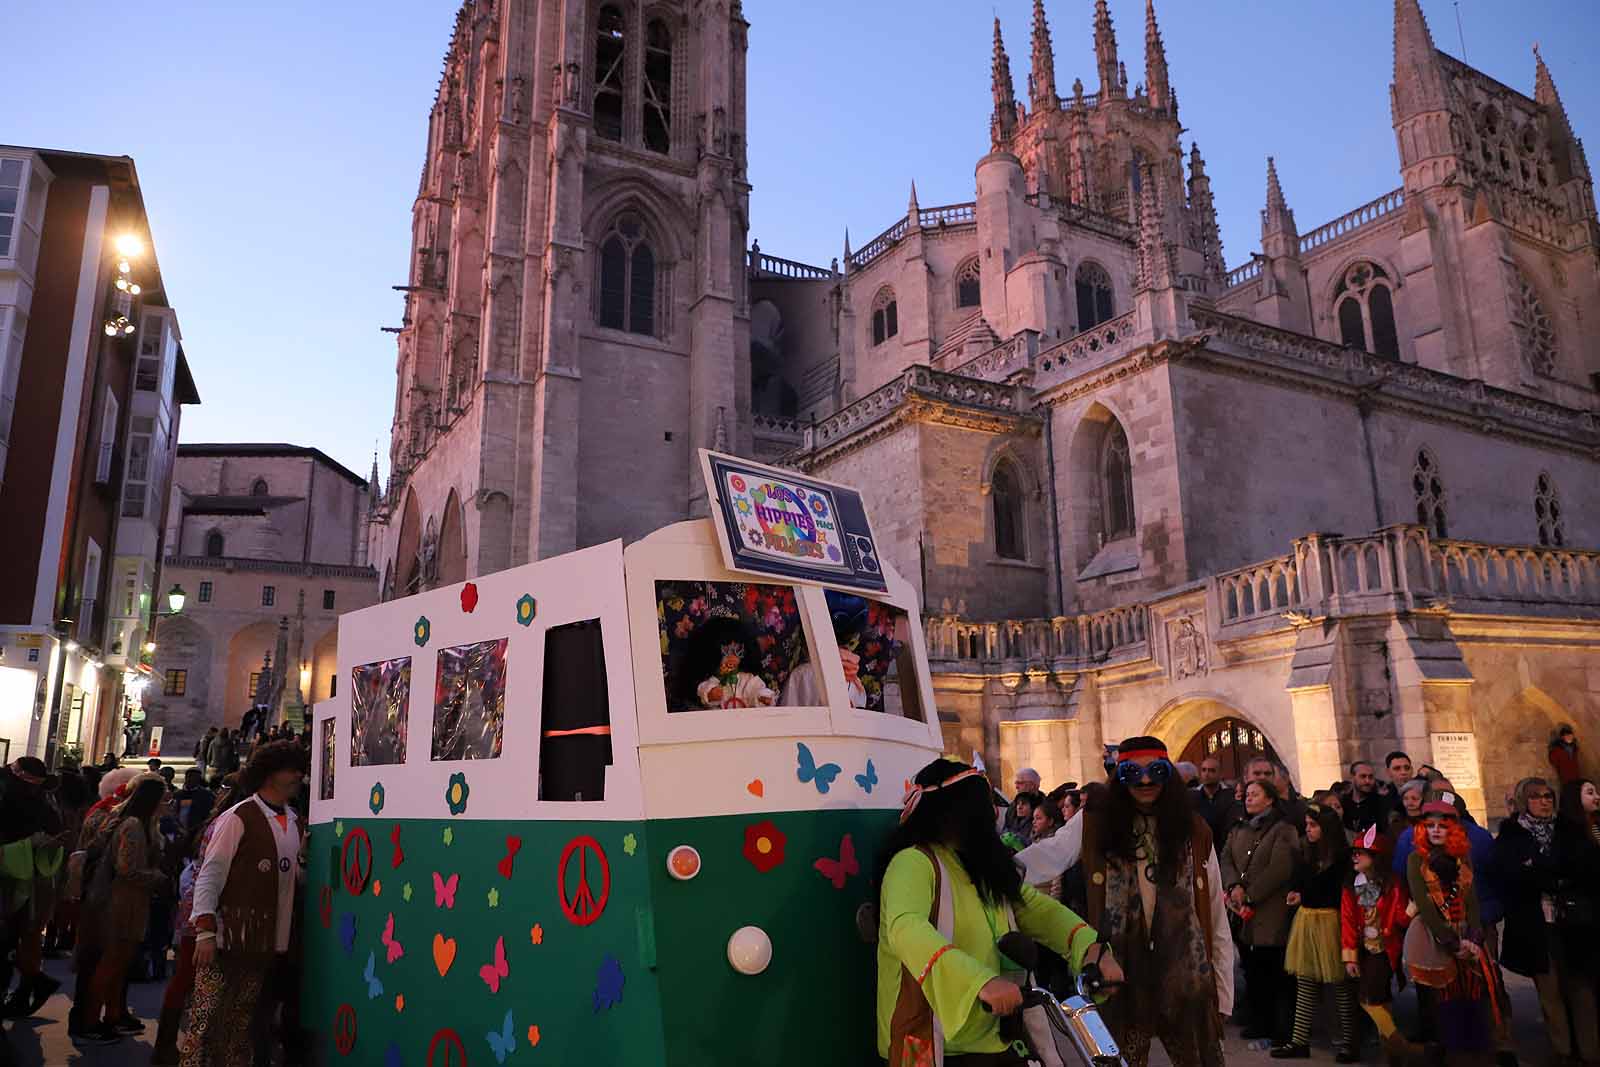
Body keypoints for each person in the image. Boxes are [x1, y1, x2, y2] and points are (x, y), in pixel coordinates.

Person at [875, 758, 1119, 1065]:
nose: (991, 814)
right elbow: (906, 929)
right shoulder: (913, 863)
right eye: (980, 806)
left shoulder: (983, 867)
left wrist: (1091, 947)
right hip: (935, 1044)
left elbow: (1038, 910)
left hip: (996, 1038)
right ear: (950, 812)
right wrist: (980, 982)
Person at [1017, 737, 1232, 1067]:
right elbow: (1050, 855)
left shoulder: (1194, 829)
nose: (1145, 781)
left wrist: (1223, 990)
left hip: (1185, 971)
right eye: (1132, 773)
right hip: (1119, 970)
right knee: (1119, 1060)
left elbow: (1214, 912)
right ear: (1119, 777)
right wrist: (997, 870)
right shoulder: (1096, 821)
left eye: (1156, 771)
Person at [183, 741, 307, 1067]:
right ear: (269, 774)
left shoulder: (296, 821)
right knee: (205, 1019)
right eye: (290, 769)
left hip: (263, 943)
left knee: (240, 1021)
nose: (298, 775)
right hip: (226, 938)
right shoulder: (238, 817)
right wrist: (205, 931)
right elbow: (210, 875)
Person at [1495, 777, 1595, 1065]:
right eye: (1536, 797)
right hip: (1536, 926)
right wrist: (1547, 876)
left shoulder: (1570, 831)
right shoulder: (1512, 836)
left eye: (1548, 795)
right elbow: (1513, 876)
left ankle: (1589, 1051)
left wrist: (1539, 872)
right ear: (1525, 802)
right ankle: (1562, 1050)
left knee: (1581, 989)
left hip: (1575, 923)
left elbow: (1584, 868)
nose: (1544, 801)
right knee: (1550, 991)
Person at [1405, 792, 1498, 1061]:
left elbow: (1472, 901)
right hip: (1434, 935)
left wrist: (1474, 937)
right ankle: (1446, 1050)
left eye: (1442, 826)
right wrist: (1452, 942)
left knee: (1472, 994)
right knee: (1441, 998)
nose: (1435, 831)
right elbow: (1424, 905)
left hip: (1465, 934)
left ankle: (1473, 1050)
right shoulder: (1416, 860)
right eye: (1430, 826)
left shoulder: (1463, 858)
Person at [79, 773, 168, 1045]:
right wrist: (158, 878)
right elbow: (127, 868)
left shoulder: (143, 823)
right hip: (121, 901)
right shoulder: (132, 825)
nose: (168, 803)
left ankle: (111, 1016)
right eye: (165, 798)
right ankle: (90, 1021)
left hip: (131, 900)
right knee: (111, 963)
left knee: (120, 965)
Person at [1222, 778, 1301, 1048]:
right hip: (1243, 912)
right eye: (1247, 795)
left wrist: (1250, 894)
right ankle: (1260, 1021)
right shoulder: (1238, 828)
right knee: (1253, 971)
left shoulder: (1283, 829)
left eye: (1255, 795)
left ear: (1269, 799)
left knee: (1276, 972)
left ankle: (1283, 1028)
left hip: (1271, 910)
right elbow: (1226, 859)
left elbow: (1280, 868)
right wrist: (1233, 887)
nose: (1249, 799)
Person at [1275, 804, 1357, 1060]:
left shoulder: (1343, 858)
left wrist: (1304, 894)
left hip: (1331, 922)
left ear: (1327, 828)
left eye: (1314, 825)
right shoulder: (1305, 853)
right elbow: (1299, 882)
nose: (1308, 830)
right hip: (1307, 921)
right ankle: (1299, 1041)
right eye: (1307, 825)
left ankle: (1349, 1043)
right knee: (1305, 981)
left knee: (1339, 983)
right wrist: (1295, 893)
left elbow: (1337, 892)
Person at [1341, 825, 1421, 1066]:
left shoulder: (1392, 885)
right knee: (1380, 1000)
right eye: (1354, 852)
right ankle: (1393, 1052)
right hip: (1363, 948)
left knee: (1369, 998)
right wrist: (1350, 957)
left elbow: (1400, 920)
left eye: (1361, 852)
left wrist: (1414, 906)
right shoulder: (1353, 884)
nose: (1355, 856)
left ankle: (1401, 1047)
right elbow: (1348, 920)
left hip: (1384, 950)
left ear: (1376, 858)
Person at [0, 758, 68, 1020]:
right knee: (17, 938)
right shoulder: (26, 799)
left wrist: (41, 844)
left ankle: (31, 983)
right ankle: (33, 982)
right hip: (22, 879)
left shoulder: (33, 801)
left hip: (20, 880)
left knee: (14, 938)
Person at [1190, 756, 1232, 851]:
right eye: (1204, 770)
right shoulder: (1192, 796)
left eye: (1212, 770)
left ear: (1220, 774)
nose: (1206, 774)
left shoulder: (1230, 796)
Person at [1344, 761, 1388, 834]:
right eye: (1363, 776)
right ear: (1352, 777)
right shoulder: (1343, 803)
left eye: (1370, 777)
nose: (1367, 781)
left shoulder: (1382, 803)